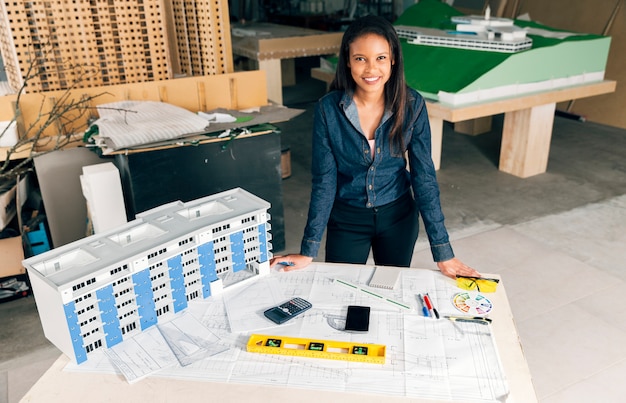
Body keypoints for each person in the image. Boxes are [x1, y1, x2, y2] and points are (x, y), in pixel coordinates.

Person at [271, 15, 479, 279]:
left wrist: (443, 251)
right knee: (343, 292)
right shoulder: (327, 109)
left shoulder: (412, 105)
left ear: (393, 59)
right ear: (347, 60)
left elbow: (424, 176)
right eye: (361, 58)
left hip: (398, 218)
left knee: (389, 290)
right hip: (346, 219)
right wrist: (308, 248)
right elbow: (325, 180)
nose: (371, 69)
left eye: (380, 58)